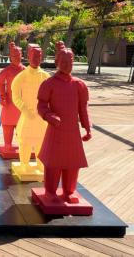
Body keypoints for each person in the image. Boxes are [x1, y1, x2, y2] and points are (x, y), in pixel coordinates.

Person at [37, 47, 92, 204]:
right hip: (55, 130)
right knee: (53, 162)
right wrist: (49, 115)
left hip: (72, 132)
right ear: (57, 63)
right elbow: (41, 105)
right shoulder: (49, 84)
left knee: (72, 163)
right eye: (64, 62)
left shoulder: (79, 85)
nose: (67, 65)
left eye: (70, 62)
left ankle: (69, 191)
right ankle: (50, 191)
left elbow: (83, 109)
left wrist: (87, 127)